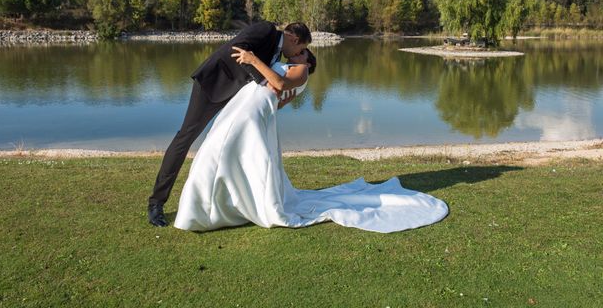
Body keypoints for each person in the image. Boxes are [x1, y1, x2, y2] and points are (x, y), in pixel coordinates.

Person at [173, 47, 449, 233]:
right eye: (300, 50)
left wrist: (253, 59)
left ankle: (218, 208)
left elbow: (278, 86)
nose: (299, 52)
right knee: (228, 157)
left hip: (250, 114)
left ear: (308, 62)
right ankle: (218, 205)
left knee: (234, 157)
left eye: (304, 52)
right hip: (249, 112)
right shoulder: (288, 67)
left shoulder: (301, 71)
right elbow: (276, 97)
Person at [147, 21, 311, 227]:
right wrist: (264, 80)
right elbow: (238, 50)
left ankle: (232, 201)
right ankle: (156, 203)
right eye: (301, 48)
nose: (298, 53)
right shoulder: (266, 30)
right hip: (213, 85)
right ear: (295, 39)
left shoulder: (277, 54)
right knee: (185, 137)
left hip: (237, 98)